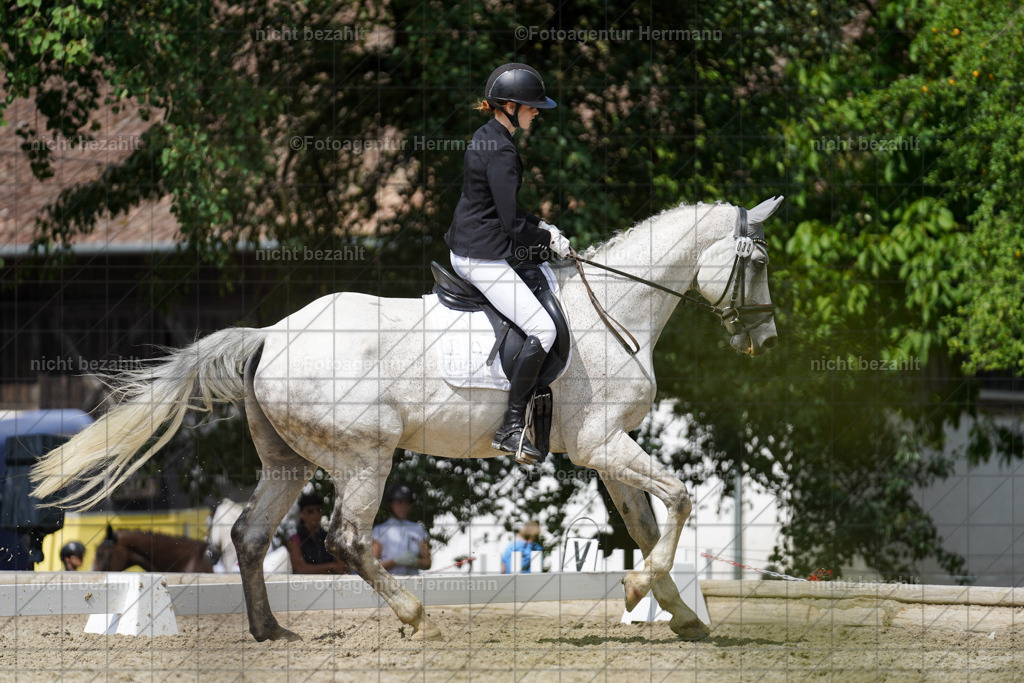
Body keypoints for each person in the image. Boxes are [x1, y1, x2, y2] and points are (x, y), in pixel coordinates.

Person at [445, 62, 571, 461]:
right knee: (544, 328)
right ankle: (511, 426)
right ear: (511, 106)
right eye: (533, 107)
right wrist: (548, 240)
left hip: (470, 241)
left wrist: (544, 226)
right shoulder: (501, 150)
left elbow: (506, 208)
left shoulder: (487, 137)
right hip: (480, 255)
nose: (538, 112)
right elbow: (512, 223)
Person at [372, 483, 431, 575]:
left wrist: (415, 562)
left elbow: (427, 563)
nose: (404, 506)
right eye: (399, 502)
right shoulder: (380, 530)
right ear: (390, 504)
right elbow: (372, 567)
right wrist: (395, 561)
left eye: (407, 502)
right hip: (389, 583)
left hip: (414, 582)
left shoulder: (418, 529)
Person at [286, 492, 348, 574]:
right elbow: (300, 568)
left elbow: (342, 566)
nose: (316, 514)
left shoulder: (329, 538)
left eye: (318, 510)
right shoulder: (295, 540)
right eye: (310, 511)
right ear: (301, 514)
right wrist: (331, 566)